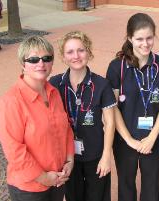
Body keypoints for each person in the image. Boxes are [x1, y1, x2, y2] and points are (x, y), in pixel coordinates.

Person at [106, 13, 159, 201]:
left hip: (152, 139)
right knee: (126, 185)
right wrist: (128, 139)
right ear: (130, 38)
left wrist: (152, 137)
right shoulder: (116, 67)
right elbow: (113, 108)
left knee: (151, 186)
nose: (145, 44)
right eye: (139, 39)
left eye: (149, 38)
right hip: (124, 141)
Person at [0, 35, 74, 201]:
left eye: (47, 58)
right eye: (33, 59)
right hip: (29, 188)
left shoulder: (54, 93)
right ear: (22, 64)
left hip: (57, 180)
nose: (41, 64)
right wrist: (44, 178)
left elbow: (66, 128)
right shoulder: (11, 101)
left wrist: (69, 160)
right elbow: (14, 150)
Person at [49, 31, 116, 201]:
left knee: (98, 197)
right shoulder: (55, 84)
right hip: (67, 158)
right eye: (70, 52)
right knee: (73, 197)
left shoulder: (102, 84)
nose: (76, 56)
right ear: (63, 57)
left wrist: (106, 156)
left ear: (89, 52)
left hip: (96, 154)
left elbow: (109, 122)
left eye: (81, 50)